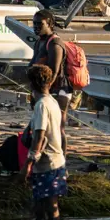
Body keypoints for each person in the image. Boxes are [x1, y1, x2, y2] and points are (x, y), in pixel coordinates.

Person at [21, 64, 67, 220]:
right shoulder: (53, 102)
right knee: (42, 206)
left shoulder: (41, 105)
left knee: (50, 206)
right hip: (56, 162)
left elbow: (39, 135)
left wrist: (29, 162)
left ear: (32, 84)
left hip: (48, 165)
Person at [30, 10, 71, 154]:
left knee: (58, 128)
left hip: (59, 90)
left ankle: (62, 162)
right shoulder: (39, 42)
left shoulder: (54, 43)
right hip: (43, 90)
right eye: (34, 23)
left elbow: (54, 71)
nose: (35, 27)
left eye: (39, 24)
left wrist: (43, 94)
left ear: (50, 24)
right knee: (43, 126)